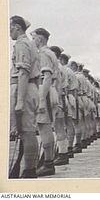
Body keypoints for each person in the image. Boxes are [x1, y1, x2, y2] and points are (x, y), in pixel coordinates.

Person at [10, 16, 40, 178]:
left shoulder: (22, 44)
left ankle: (29, 171)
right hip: (30, 87)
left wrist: (20, 101)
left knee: (27, 131)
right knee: (26, 131)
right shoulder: (30, 44)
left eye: (11, 28)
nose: (9, 32)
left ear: (17, 27)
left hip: (24, 88)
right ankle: (28, 168)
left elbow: (23, 73)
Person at [31, 28, 59, 176]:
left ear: (40, 39)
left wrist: (41, 100)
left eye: (33, 37)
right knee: (45, 127)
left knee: (44, 128)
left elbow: (46, 76)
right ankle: (48, 161)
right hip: (50, 91)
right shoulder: (51, 53)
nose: (32, 41)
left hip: (45, 91)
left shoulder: (43, 54)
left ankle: (48, 164)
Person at [49, 46, 69, 166]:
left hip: (56, 97)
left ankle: (62, 154)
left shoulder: (55, 66)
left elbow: (57, 85)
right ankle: (62, 153)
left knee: (58, 127)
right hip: (61, 97)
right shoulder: (62, 68)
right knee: (60, 127)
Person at [60, 54, 77, 158]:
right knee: (70, 123)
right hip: (71, 97)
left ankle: (66, 149)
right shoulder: (71, 71)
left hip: (65, 95)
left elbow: (65, 87)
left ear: (62, 60)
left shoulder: (64, 70)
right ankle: (69, 147)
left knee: (64, 124)